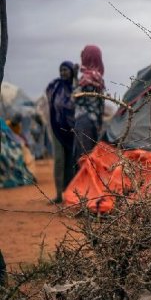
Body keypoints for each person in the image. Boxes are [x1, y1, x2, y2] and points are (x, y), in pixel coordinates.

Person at [46, 60, 77, 203]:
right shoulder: (55, 86)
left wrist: (76, 78)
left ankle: (70, 193)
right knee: (59, 160)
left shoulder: (76, 87)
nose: (63, 73)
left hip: (72, 131)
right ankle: (58, 194)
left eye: (66, 70)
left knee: (71, 162)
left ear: (72, 71)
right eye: (61, 70)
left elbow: (77, 101)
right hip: (57, 128)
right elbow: (50, 100)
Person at [72, 45, 105, 168]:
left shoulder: (86, 78)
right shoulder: (98, 77)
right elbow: (100, 106)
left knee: (82, 159)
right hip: (94, 123)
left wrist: (74, 77)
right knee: (90, 159)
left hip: (83, 123)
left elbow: (76, 98)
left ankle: (82, 187)